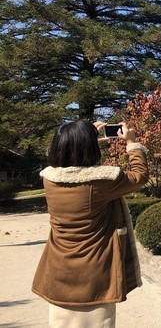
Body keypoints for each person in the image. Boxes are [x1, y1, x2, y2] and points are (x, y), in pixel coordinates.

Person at [32, 120, 149, 328]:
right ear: (89, 147)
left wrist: (83, 137)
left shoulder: (48, 179)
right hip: (94, 274)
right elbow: (139, 176)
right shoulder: (102, 182)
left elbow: (69, 165)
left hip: (59, 271)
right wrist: (132, 143)